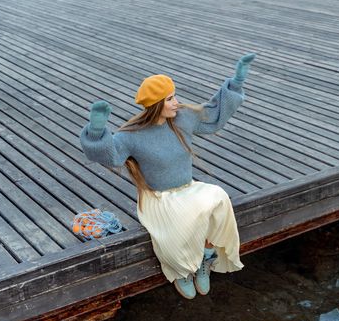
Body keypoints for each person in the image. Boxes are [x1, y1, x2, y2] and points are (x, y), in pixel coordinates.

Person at [79, 53, 256, 299]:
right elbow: (110, 156)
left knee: (218, 198)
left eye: (175, 97)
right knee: (178, 229)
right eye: (170, 99)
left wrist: (236, 82)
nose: (176, 103)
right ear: (155, 105)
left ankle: (205, 258)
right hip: (159, 199)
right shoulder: (132, 135)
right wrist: (96, 130)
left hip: (188, 188)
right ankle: (183, 270)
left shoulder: (181, 118)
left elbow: (213, 115)